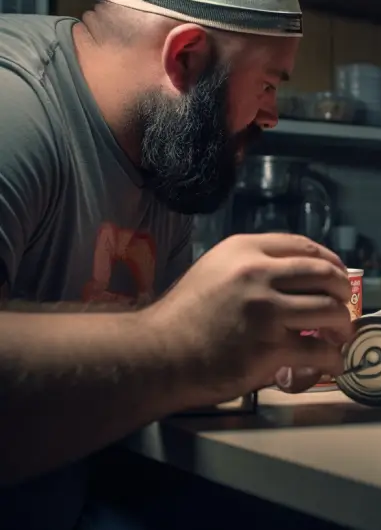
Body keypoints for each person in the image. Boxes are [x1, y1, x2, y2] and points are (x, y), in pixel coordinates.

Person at [0, 0, 353, 527]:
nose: (271, 115)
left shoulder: (167, 148)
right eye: (268, 84)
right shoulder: (15, 107)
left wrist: (246, 354)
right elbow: (169, 345)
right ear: (185, 58)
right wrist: (183, 344)